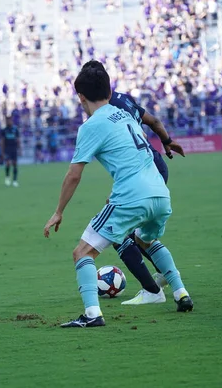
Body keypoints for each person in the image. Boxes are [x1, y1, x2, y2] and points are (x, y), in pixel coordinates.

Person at [43, 61, 177, 328]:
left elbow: (74, 174)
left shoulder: (91, 125)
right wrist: (166, 141)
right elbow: (151, 130)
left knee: (82, 253)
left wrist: (59, 211)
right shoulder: (125, 114)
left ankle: (93, 314)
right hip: (160, 191)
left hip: (131, 195)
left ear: (81, 97)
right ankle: (178, 290)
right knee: (145, 241)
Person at [108, 91, 193, 311]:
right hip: (157, 166)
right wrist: (168, 141)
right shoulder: (123, 98)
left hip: (141, 173)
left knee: (116, 230)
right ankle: (176, 286)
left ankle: (152, 290)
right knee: (142, 237)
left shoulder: (106, 111)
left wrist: (119, 193)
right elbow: (154, 121)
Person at [1, 117, 20, 187]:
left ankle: (15, 180)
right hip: (7, 149)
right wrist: (2, 152)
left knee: (14, 164)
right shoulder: (4, 130)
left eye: (9, 120)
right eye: (7, 121)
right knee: (8, 163)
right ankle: (7, 177)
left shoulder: (15, 129)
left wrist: (19, 149)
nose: (8, 122)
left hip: (14, 149)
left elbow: (18, 140)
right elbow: (2, 142)